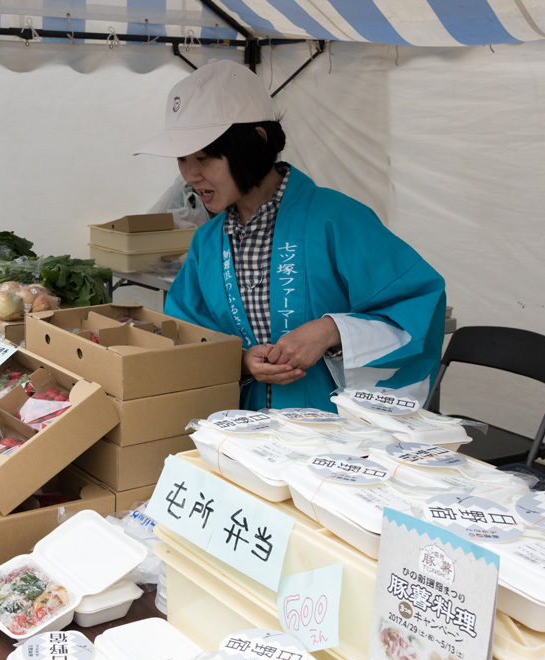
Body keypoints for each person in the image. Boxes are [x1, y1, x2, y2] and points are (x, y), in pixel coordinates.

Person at [135, 61, 447, 412]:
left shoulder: (338, 219)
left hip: (334, 436)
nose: (191, 174)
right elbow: (187, 334)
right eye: (182, 158)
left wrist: (331, 331)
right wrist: (238, 360)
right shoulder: (207, 242)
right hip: (243, 434)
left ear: (257, 141)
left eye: (205, 157)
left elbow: (418, 307)